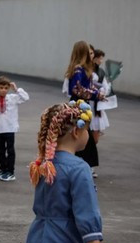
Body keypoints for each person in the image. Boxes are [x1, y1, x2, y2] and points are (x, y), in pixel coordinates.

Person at [23, 101, 115, 243]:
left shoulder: (45, 164)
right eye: (88, 130)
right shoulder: (79, 168)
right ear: (77, 131)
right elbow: (86, 213)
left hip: (40, 241)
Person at [66, 41, 104, 174]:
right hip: (79, 104)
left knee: (84, 133)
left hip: (83, 104)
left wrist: (98, 93)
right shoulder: (78, 69)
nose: (91, 53)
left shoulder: (83, 69)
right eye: (88, 51)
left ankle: (84, 163)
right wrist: (96, 94)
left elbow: (87, 87)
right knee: (81, 133)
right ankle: (83, 163)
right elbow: (77, 89)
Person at [0, 76, 29, 181]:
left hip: (10, 129)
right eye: (1, 87)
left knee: (10, 151)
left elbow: (26, 97)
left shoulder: (13, 98)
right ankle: (3, 170)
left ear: (8, 89)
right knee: (1, 151)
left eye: (6, 88)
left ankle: (10, 172)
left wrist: (16, 89)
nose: (3, 90)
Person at [90, 49, 110, 145]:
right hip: (90, 102)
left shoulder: (101, 71)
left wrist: (103, 90)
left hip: (97, 103)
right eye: (99, 58)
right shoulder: (89, 70)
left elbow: (105, 86)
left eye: (102, 58)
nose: (101, 61)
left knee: (96, 132)